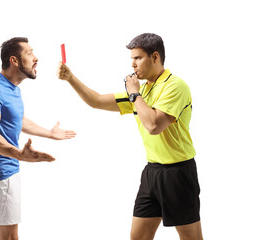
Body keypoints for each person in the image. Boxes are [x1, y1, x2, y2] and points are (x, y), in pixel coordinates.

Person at [57, 33, 203, 240]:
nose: (133, 64)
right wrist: (71, 79)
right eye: (131, 59)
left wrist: (134, 95)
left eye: (138, 58)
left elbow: (154, 125)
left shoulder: (175, 86)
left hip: (178, 173)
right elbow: (97, 100)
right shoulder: (142, 91)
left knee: (191, 238)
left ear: (155, 57)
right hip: (152, 172)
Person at [0, 37, 76, 240]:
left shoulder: (11, 88)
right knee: (9, 236)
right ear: (14, 60)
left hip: (7, 168)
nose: (36, 58)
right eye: (29, 53)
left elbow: (17, 119)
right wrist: (20, 154)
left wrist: (48, 132)